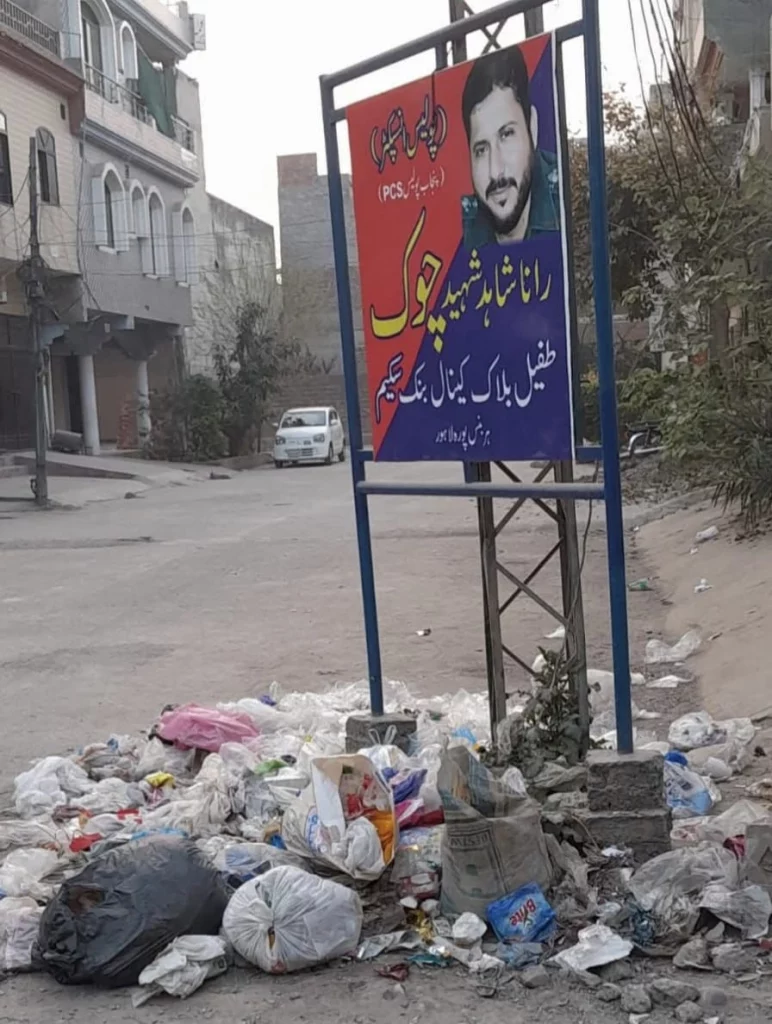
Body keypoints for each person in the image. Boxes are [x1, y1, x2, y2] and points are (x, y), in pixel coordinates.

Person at [461, 45, 560, 248]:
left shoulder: (571, 203)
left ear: (532, 127)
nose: (495, 171)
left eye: (506, 135)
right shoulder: (461, 234)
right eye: (481, 150)